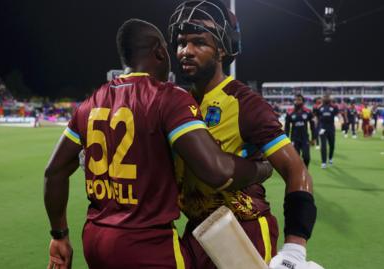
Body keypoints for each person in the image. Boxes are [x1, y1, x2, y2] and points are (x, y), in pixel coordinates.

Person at [43, 19, 273, 269]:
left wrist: (59, 236)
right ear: (160, 51)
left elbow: (53, 172)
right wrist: (260, 169)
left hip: (96, 241)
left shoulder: (90, 104)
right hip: (149, 246)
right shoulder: (169, 97)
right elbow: (215, 171)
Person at [169, 1, 319, 269]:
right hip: (194, 231)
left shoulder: (245, 103)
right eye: (181, 43)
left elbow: (296, 169)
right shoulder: (177, 102)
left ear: (222, 49)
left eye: (199, 42)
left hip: (242, 230)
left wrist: (295, 247)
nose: (186, 51)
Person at [285, 94, 316, 167]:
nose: (297, 101)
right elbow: (287, 127)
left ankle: (305, 170)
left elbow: (312, 126)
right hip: (294, 139)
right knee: (296, 158)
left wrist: (314, 138)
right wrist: (286, 139)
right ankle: (299, 174)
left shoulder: (308, 111)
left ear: (303, 101)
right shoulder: (290, 112)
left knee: (306, 157)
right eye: (296, 100)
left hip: (305, 138)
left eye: (299, 100)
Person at [314, 95, 339, 169]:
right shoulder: (320, 107)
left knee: (332, 145)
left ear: (330, 99)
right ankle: (323, 162)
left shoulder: (334, 107)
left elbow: (336, 112)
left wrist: (332, 104)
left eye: (327, 98)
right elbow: (315, 114)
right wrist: (320, 104)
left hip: (331, 128)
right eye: (324, 98)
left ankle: (330, 158)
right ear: (323, 99)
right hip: (322, 128)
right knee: (323, 146)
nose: (326, 99)